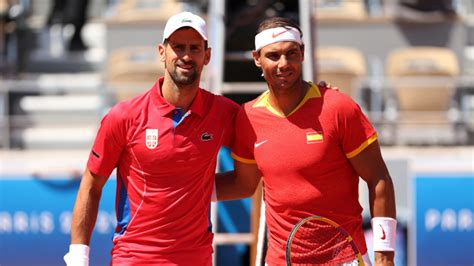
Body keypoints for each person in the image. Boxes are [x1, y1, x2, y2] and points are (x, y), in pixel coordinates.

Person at [216, 17, 397, 265]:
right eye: (273, 56)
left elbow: (379, 178)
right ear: (257, 58)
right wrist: (181, 188)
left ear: (302, 54)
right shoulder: (247, 117)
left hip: (344, 259)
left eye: (291, 53)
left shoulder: (338, 107)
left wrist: (384, 256)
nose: (284, 64)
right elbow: (243, 184)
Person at [63, 11, 240, 265]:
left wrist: (197, 191)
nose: (186, 56)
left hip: (196, 258)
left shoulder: (224, 112)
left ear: (208, 55)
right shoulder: (124, 116)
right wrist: (78, 257)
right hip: (134, 257)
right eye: (178, 47)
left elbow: (250, 175)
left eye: (195, 48)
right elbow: (91, 185)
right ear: (161, 52)